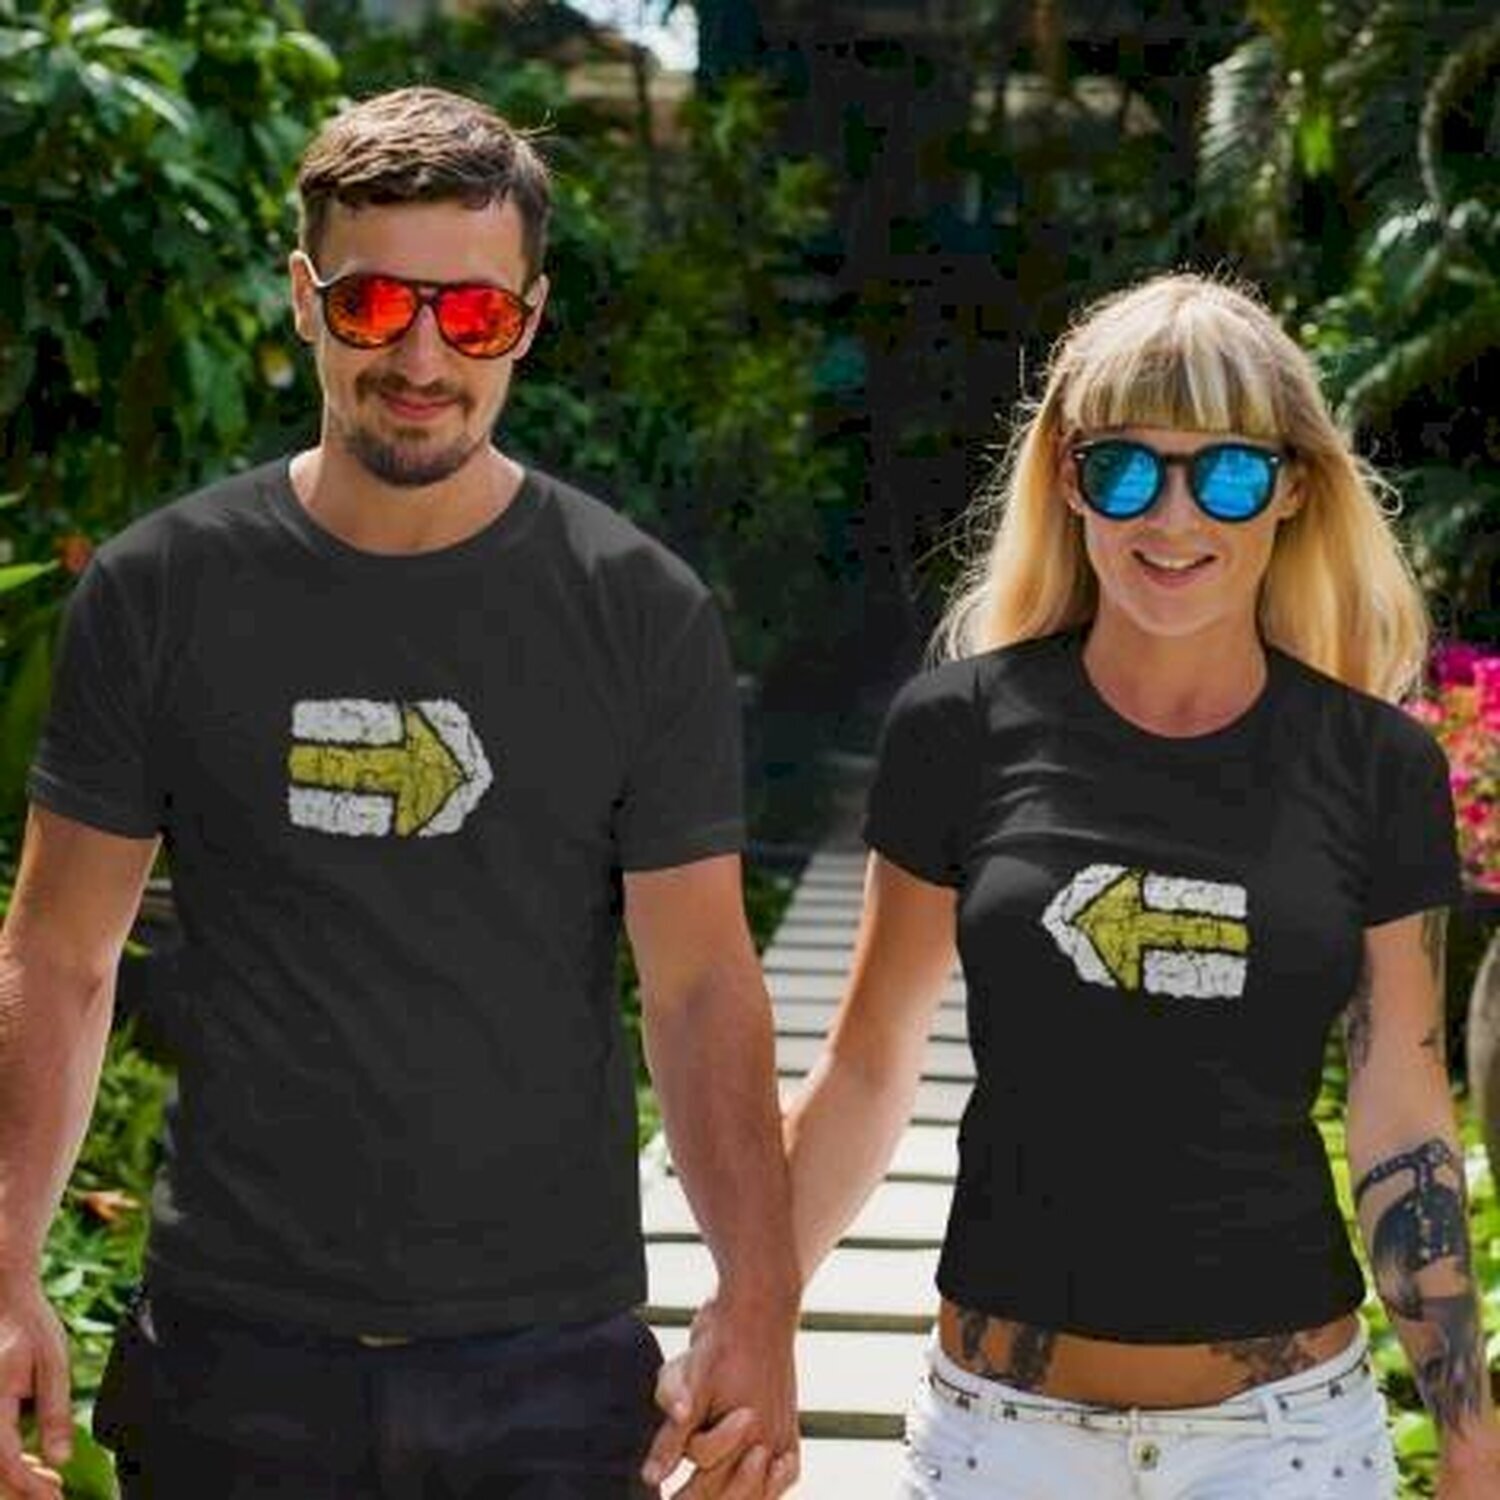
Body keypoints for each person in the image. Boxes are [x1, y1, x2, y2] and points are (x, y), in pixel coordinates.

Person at [0, 86, 799, 1500]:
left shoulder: (637, 611)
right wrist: (5, 1270)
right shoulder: (161, 591)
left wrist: (760, 1296)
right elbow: (59, 958)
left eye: (472, 315)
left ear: (528, 321)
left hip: (550, 1371)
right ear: (303, 298)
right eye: (373, 304)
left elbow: (698, 988)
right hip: (232, 1362)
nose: (423, 357)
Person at [681, 272, 1500, 1497]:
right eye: (1125, 469)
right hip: (1000, 1439)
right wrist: (751, 1316)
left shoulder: (1376, 765)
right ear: (1068, 481)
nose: (1172, 516)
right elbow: (868, 1069)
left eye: (1226, 473)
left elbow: (1402, 1109)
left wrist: (1472, 1437)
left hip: (1284, 1446)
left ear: (1292, 487)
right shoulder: (957, 732)